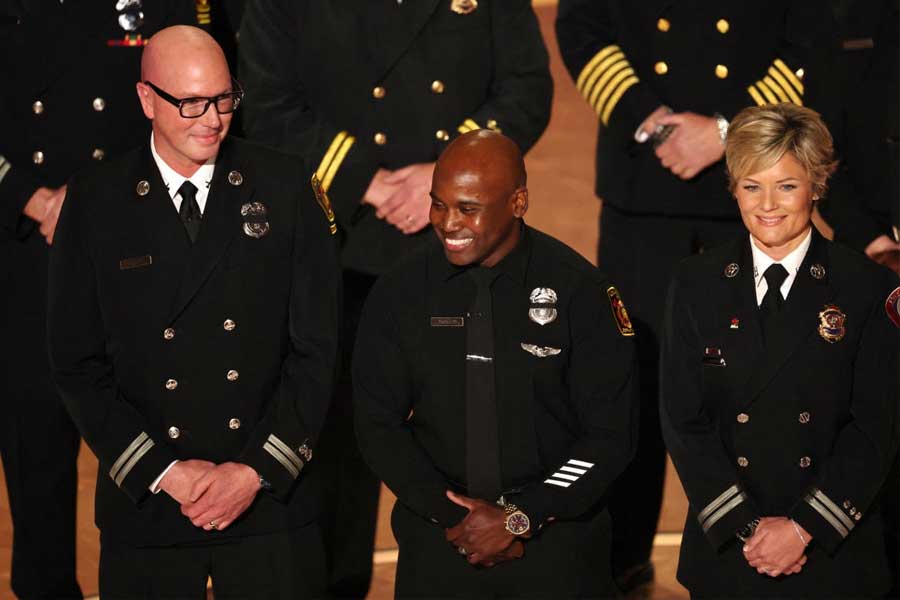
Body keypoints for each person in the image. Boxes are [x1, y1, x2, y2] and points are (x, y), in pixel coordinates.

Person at [238, 3, 553, 596]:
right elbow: (265, 100)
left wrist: (447, 173)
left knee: (467, 434)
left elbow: (526, 86)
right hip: (334, 244)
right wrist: (371, 182)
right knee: (330, 446)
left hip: (456, 244)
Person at [46, 26, 339, 599]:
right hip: (151, 505)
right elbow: (76, 363)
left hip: (268, 502)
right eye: (191, 103)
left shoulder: (285, 185)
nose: (212, 119)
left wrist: (253, 471)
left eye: (224, 99)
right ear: (146, 100)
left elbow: (317, 349)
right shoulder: (95, 200)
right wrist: (165, 472)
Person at [554, 3, 832, 590]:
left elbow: (811, 33)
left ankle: (759, 548)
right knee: (630, 382)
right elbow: (583, 26)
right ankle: (623, 554)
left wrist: (730, 130)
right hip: (643, 183)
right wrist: (651, 122)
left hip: (753, 187)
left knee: (756, 385)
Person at [353, 130, 638, 599]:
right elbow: (376, 423)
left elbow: (611, 435)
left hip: (555, 541)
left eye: (468, 208)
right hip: (440, 540)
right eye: (438, 204)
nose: (448, 223)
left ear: (519, 202)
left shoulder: (580, 292)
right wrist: (456, 517)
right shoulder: (399, 292)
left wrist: (520, 516)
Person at [0, 3, 200, 597]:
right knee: (37, 450)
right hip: (26, 245)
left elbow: (193, 102)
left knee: (156, 433)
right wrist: (33, 199)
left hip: (139, 237)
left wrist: (108, 201)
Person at [660, 103, 899, 598]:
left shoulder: (865, 288)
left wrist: (803, 528)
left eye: (786, 185)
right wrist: (747, 529)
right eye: (751, 186)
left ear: (816, 185)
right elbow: (683, 420)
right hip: (729, 548)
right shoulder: (695, 283)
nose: (767, 204)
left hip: (833, 554)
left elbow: (878, 426)